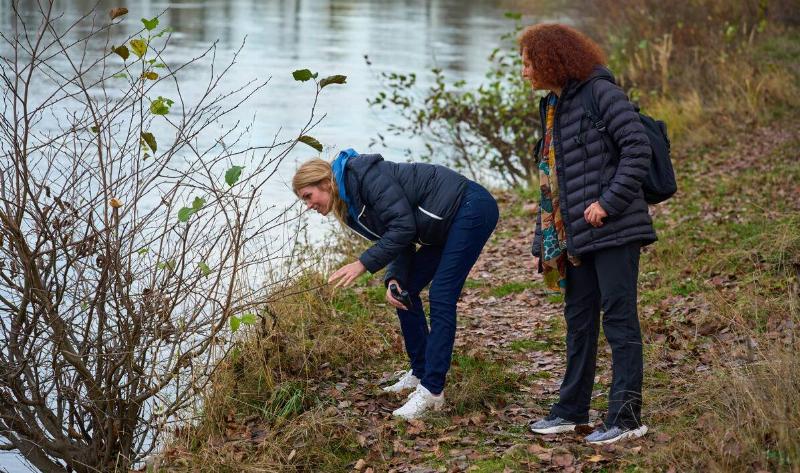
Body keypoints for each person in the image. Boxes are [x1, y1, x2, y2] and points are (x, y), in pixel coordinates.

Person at [518, 24, 657, 444]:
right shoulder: (553, 106)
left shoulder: (601, 93)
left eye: (527, 62)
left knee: (619, 321)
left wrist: (608, 202)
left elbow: (637, 148)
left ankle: (627, 418)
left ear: (550, 60)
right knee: (579, 323)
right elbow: (553, 180)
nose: (524, 71)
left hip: (613, 229)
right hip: (575, 235)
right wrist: (544, 242)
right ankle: (571, 410)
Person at [292, 150, 498, 419]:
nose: (308, 205)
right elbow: (399, 236)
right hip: (443, 224)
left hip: (469, 208)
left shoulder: (365, 177)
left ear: (325, 183)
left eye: (308, 196)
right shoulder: (350, 206)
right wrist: (394, 278)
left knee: (442, 294)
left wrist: (363, 263)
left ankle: (432, 391)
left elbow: (402, 227)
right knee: (404, 291)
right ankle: (421, 371)